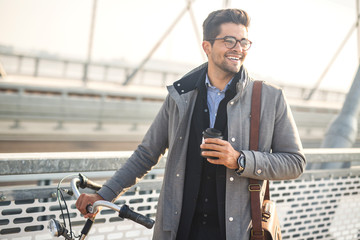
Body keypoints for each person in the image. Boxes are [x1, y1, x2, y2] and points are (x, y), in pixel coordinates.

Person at [76, 8, 306, 240]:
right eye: (229, 41)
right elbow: (146, 154)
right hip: (180, 230)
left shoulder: (270, 98)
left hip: (236, 233)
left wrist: (240, 159)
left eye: (244, 41)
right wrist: (104, 195)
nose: (238, 48)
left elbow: (295, 162)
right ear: (207, 47)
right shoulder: (180, 95)